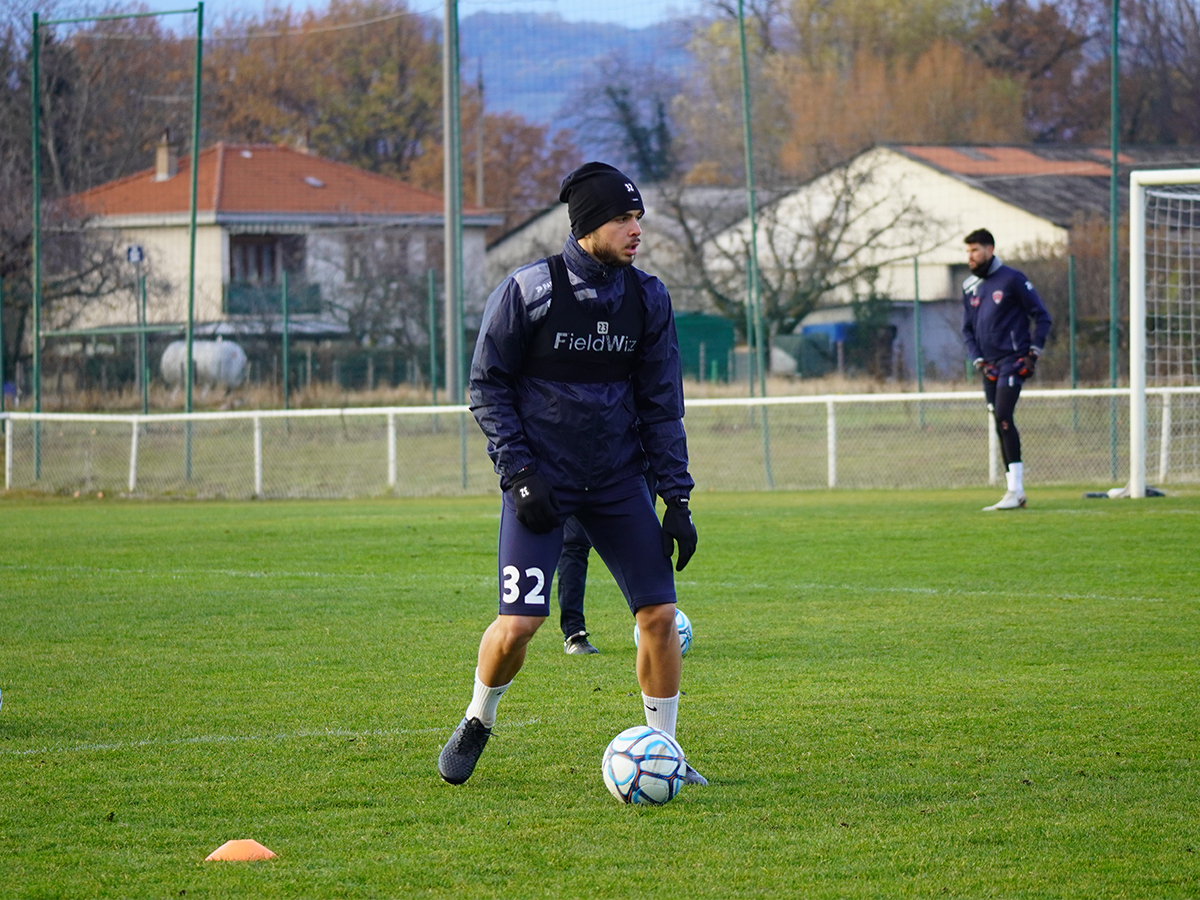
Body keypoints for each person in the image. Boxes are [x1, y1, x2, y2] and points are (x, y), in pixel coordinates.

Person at [437, 161, 705, 787]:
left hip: (618, 480)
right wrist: (519, 471)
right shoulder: (528, 290)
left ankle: (664, 749)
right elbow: (487, 387)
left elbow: (663, 405)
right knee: (519, 627)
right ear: (587, 226)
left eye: (638, 217)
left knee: (660, 617)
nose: (635, 229)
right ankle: (478, 717)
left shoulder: (650, 297)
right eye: (621, 218)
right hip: (542, 483)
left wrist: (677, 499)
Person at [960, 228, 1052, 511]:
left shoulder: (1012, 279)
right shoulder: (970, 286)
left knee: (1003, 414)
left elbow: (1042, 317)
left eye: (975, 250)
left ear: (989, 249)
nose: (970, 256)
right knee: (1000, 421)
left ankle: (1015, 490)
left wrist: (1032, 354)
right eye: (968, 251)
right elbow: (967, 329)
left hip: (1013, 360)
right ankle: (1016, 492)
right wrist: (978, 360)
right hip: (989, 366)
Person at [559, 471, 656, 656]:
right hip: (581, 464)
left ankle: (654, 623)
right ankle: (574, 633)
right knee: (575, 542)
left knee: (644, 538)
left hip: (635, 463)